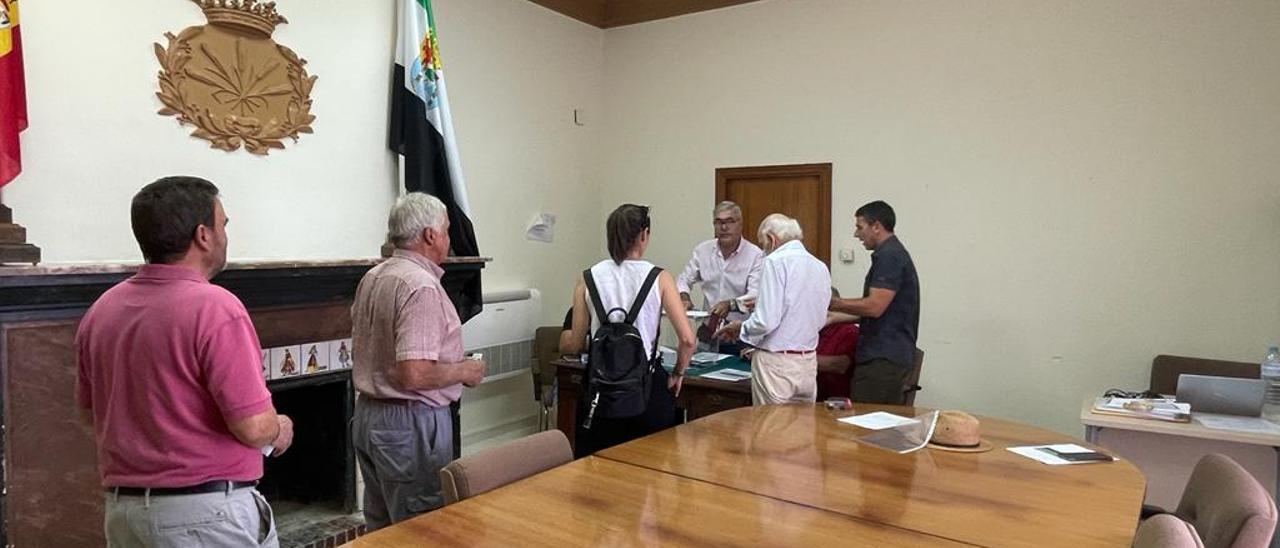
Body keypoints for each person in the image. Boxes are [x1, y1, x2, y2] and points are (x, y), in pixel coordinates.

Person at [76, 176, 293, 548]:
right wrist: (280, 429)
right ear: (203, 236)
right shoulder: (216, 307)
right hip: (206, 518)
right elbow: (254, 428)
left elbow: (90, 416)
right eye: (223, 224)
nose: (226, 234)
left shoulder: (101, 310)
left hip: (125, 515)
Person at [350, 192, 486, 530]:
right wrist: (464, 370)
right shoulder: (420, 286)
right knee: (420, 528)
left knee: (381, 527)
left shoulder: (374, 276)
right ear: (430, 235)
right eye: (447, 231)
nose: (449, 239)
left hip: (369, 416)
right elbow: (414, 374)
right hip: (410, 424)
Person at [563, 204, 695, 456]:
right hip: (645, 389)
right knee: (650, 468)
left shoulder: (587, 277)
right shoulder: (660, 277)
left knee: (599, 468)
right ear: (644, 234)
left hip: (600, 391)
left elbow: (576, 342)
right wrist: (677, 373)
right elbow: (687, 340)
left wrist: (563, 343)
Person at [716, 214, 831, 405]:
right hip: (808, 363)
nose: (763, 251)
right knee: (802, 431)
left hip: (775, 365)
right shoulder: (819, 266)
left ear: (772, 239)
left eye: (763, 245)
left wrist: (741, 328)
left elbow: (765, 321)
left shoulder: (774, 261)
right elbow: (819, 320)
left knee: (770, 429)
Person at [830, 201, 920, 404]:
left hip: (883, 359)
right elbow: (883, 311)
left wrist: (832, 303)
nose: (856, 234)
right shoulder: (891, 254)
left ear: (876, 226)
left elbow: (874, 307)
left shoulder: (890, 256)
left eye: (859, 227)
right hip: (885, 357)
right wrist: (834, 318)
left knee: (867, 424)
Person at [676, 201, 764, 354]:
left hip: (739, 334)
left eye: (729, 221)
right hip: (708, 332)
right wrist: (684, 296)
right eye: (719, 222)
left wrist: (730, 304)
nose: (724, 227)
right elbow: (683, 279)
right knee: (701, 375)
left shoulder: (755, 255)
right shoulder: (703, 250)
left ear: (740, 224)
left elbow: (755, 295)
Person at [817, 288, 860, 400]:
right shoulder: (811, 332)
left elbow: (841, 365)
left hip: (840, 402)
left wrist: (800, 359)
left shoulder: (849, 331)